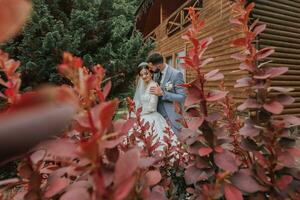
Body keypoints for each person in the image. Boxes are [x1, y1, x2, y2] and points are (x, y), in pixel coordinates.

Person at [133, 62, 176, 143]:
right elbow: (139, 102)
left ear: (151, 73)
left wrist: (140, 113)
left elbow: (152, 107)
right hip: (142, 115)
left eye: (146, 73)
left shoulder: (154, 86)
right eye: (142, 75)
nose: (144, 76)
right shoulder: (144, 86)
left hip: (151, 116)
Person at [146, 53, 186, 135]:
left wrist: (163, 93)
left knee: (175, 143)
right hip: (158, 116)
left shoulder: (176, 74)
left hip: (171, 116)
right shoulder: (156, 75)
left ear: (159, 65)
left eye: (151, 67)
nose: (150, 69)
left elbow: (182, 97)